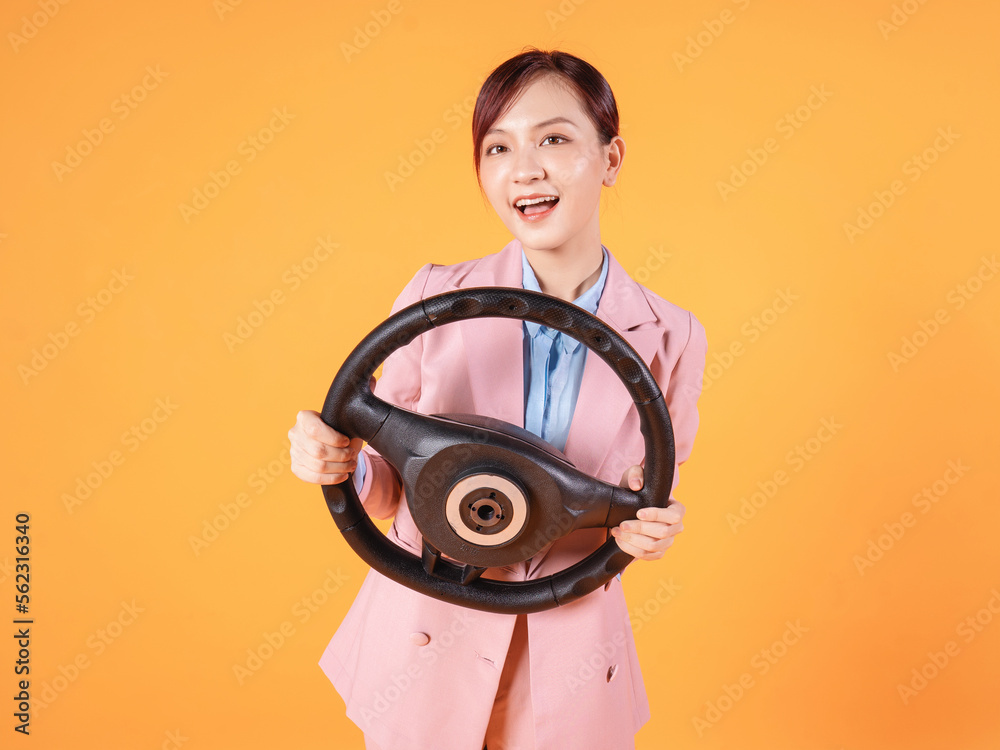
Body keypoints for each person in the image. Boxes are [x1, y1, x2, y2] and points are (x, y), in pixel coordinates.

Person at [289, 47, 707, 750]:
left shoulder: (673, 336)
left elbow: (648, 492)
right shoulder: (433, 296)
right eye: (498, 147)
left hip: (569, 663)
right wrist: (343, 464)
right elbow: (390, 487)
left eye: (554, 139)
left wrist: (648, 528)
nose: (525, 170)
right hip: (425, 646)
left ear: (610, 158)